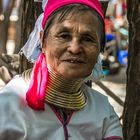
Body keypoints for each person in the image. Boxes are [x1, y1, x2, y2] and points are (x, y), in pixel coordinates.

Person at [0, 0, 123, 139]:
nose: (75, 48)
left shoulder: (103, 111)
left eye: (88, 39)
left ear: (100, 48)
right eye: (64, 36)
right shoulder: (7, 104)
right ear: (42, 41)